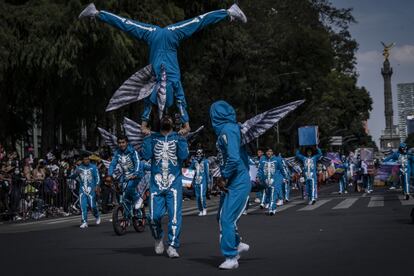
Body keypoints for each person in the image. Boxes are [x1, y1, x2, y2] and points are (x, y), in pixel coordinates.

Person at [79, 3, 247, 135]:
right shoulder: (160, 88)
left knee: (196, 21)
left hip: (160, 37)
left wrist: (185, 124)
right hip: (164, 36)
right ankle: (96, 13)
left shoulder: (166, 87)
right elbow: (156, 103)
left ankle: (97, 13)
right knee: (129, 24)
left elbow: (177, 102)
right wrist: (183, 124)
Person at [210, 100, 250, 270]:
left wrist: (224, 176)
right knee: (221, 217)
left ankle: (231, 257)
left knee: (227, 219)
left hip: (238, 182)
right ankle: (236, 243)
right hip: (232, 181)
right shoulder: (227, 130)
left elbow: (233, 158)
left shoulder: (228, 130)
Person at [142, 115, 189, 258]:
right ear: (159, 122)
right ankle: (158, 238)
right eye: (164, 118)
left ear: (173, 124)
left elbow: (183, 155)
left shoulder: (177, 136)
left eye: (169, 118)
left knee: (175, 216)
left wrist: (182, 137)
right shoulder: (153, 137)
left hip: (174, 183)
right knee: (152, 217)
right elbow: (147, 155)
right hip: (156, 184)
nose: (166, 120)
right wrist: (147, 137)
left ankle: (173, 246)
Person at [108, 135, 143, 217]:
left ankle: (138, 199)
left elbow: (138, 163)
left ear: (127, 143)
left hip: (136, 175)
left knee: (130, 187)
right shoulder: (117, 154)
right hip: (125, 176)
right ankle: (127, 215)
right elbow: (112, 164)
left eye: (123, 142)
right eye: (119, 143)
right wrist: (109, 175)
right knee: (123, 195)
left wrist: (135, 173)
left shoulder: (133, 151)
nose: (121, 144)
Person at [70, 154, 101, 228]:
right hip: (82, 189)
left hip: (91, 189)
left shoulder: (93, 167)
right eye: (85, 159)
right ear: (82, 160)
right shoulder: (79, 168)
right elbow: (73, 176)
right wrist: (72, 174)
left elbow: (97, 177)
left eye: (88, 159)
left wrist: (97, 186)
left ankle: (97, 216)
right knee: (83, 206)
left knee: (92, 205)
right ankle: (84, 222)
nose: (86, 160)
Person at [257, 148, 287, 215]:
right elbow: (260, 169)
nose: (268, 152)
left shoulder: (277, 159)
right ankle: (269, 206)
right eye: (267, 151)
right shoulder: (262, 159)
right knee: (268, 193)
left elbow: (282, 169)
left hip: (274, 180)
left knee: (273, 194)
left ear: (273, 152)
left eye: (270, 151)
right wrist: (258, 177)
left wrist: (285, 177)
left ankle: (271, 209)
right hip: (265, 181)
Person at [189, 148, 210, 216]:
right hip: (196, 181)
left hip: (203, 181)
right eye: (198, 153)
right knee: (197, 196)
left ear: (203, 154)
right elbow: (190, 170)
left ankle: (204, 208)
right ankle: (200, 210)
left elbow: (207, 172)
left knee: (202, 196)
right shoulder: (194, 162)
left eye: (200, 153)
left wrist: (208, 182)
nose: (199, 154)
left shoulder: (206, 161)